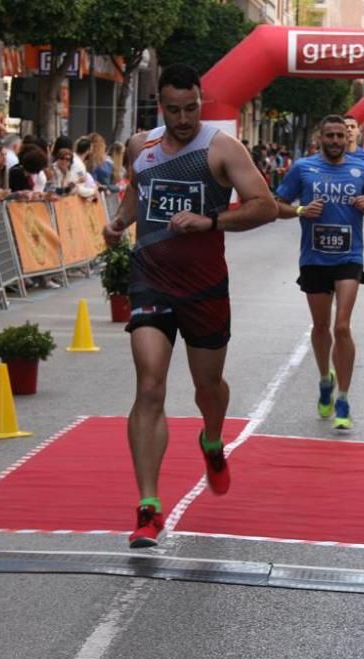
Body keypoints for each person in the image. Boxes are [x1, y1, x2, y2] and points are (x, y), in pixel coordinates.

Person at [101, 64, 278, 549]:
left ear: (202, 101)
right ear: (161, 105)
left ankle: (213, 439)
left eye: (191, 108)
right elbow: (138, 191)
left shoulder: (223, 148)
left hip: (204, 288)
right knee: (151, 385)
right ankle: (148, 506)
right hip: (151, 282)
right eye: (173, 110)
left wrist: (211, 221)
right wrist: (119, 221)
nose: (183, 118)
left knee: (207, 387)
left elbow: (264, 204)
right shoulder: (142, 146)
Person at [274, 115, 364, 429]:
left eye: (340, 135)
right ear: (319, 138)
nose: (336, 140)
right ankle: (325, 378)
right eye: (330, 135)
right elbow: (277, 204)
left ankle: (344, 398)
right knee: (321, 326)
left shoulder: (362, 169)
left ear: (347, 138)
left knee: (342, 327)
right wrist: (300, 210)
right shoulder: (303, 168)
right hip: (314, 258)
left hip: (349, 257)